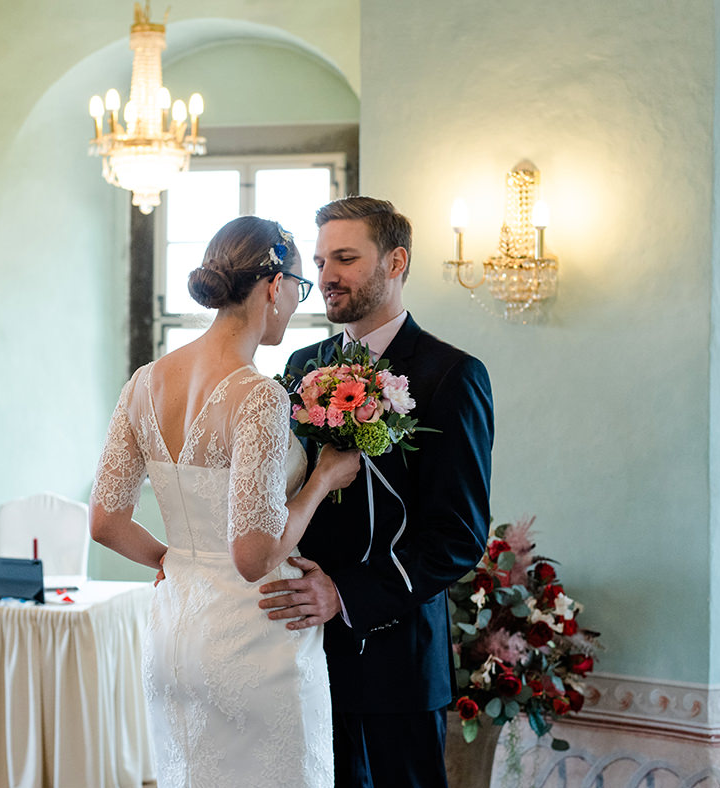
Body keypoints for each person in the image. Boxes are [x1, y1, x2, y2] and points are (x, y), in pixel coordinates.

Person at [89, 215, 361, 788]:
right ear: (272, 284)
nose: (296, 301)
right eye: (299, 286)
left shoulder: (144, 382)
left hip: (176, 631)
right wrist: (323, 479)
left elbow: (106, 522)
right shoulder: (256, 393)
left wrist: (173, 559)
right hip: (254, 635)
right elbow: (253, 556)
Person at [258, 196, 494, 787]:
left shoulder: (451, 375)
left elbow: (459, 539)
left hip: (398, 665)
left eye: (345, 257)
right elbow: (272, 489)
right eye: (318, 261)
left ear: (395, 262)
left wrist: (346, 595)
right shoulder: (301, 364)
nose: (326, 275)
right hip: (299, 650)